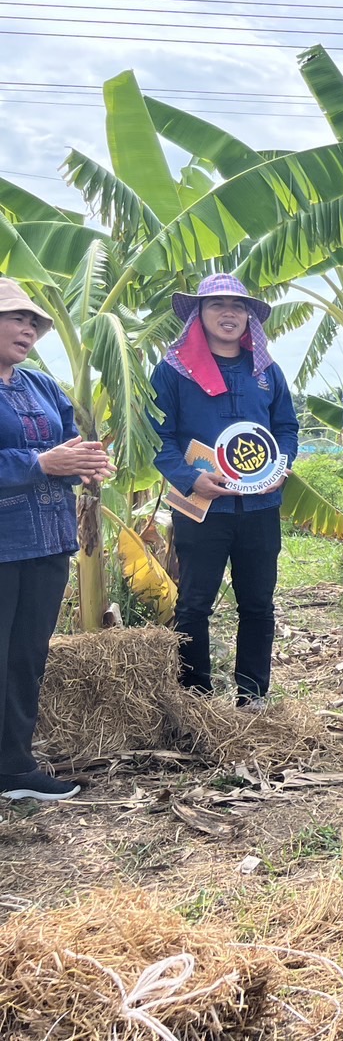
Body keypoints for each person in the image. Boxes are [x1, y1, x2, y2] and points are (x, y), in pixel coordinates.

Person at [152, 274, 298, 709]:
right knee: (195, 603)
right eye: (217, 306)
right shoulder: (172, 370)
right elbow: (160, 435)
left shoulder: (266, 370)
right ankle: (195, 696)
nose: (229, 314)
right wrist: (188, 477)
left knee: (258, 602)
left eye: (238, 306)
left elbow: (286, 428)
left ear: (250, 317)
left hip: (260, 505)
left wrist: (281, 465)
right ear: (198, 314)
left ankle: (253, 695)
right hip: (201, 506)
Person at [0, 278, 113, 801]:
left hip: (48, 541)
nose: (28, 329)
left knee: (26, 655)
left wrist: (86, 465)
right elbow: (44, 460)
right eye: (17, 319)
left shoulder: (42, 387)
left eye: (33, 323)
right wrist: (40, 463)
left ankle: (15, 767)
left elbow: (67, 448)